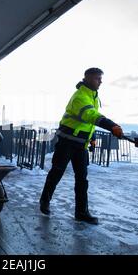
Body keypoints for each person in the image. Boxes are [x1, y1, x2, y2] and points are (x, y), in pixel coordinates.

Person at [39, 68, 124, 225]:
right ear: (88, 78)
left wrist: (91, 138)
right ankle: (45, 200)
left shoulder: (94, 98)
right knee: (56, 173)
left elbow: (88, 123)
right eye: (98, 78)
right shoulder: (80, 97)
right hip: (66, 142)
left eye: (101, 78)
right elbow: (91, 115)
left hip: (81, 145)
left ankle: (81, 212)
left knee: (82, 180)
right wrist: (111, 126)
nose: (101, 82)